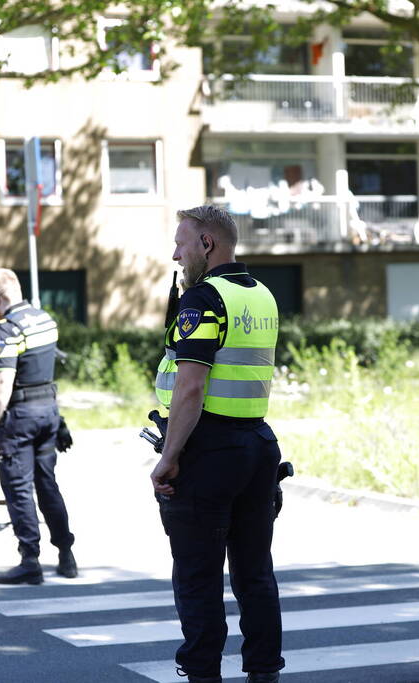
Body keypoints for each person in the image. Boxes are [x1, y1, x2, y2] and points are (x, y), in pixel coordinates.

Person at [150, 205, 284, 683]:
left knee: (198, 577)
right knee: (255, 574)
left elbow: (191, 386)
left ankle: (203, 675)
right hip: (258, 446)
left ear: (207, 244)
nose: (176, 254)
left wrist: (169, 458)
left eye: (181, 243)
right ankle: (264, 674)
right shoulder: (262, 295)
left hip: (208, 451)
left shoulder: (204, 299)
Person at [0, 268, 77, 583]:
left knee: (19, 489)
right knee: (47, 484)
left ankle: (30, 561)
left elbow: (3, 381)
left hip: (19, 418)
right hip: (48, 413)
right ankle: (66, 554)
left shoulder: (7, 329)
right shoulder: (44, 318)